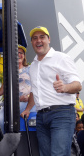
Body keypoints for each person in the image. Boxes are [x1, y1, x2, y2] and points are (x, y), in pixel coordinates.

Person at [21, 26, 82, 156]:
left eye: (42, 37)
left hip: (62, 113)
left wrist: (64, 87)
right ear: (32, 42)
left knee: (58, 154)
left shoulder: (62, 58)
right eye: (35, 38)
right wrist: (27, 109)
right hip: (41, 116)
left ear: (49, 39)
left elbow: (77, 85)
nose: (39, 41)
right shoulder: (33, 66)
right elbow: (34, 91)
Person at [0, 45, 36, 133]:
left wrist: (29, 97)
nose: (18, 55)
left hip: (28, 103)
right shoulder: (8, 73)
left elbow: (36, 87)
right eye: (15, 53)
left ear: (24, 56)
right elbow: (1, 91)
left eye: (21, 53)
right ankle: (6, 141)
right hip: (11, 104)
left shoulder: (30, 69)